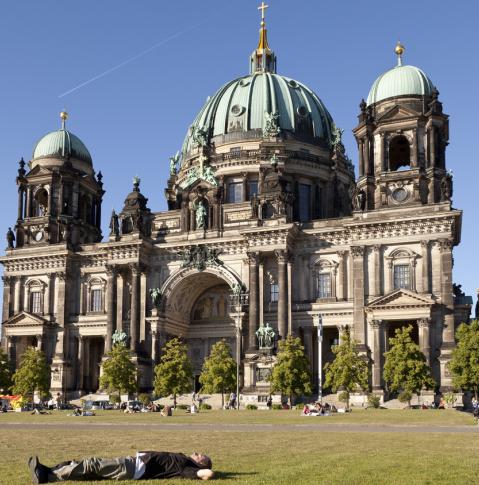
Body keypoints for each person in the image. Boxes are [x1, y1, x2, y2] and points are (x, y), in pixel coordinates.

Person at [28, 451, 214, 483]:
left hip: (133, 468)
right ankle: (49, 472)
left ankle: (47, 475)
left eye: (200, 455)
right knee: (90, 472)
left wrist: (204, 470)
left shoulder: (186, 468)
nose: (197, 452)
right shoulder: (183, 460)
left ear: (200, 462)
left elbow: (207, 474)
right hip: (133, 464)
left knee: (93, 464)